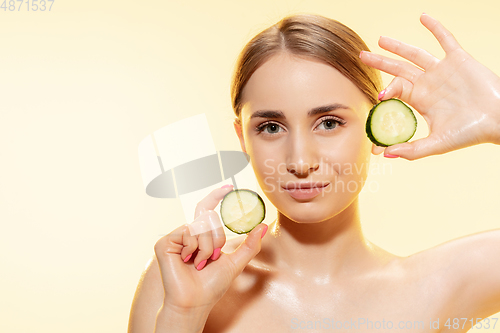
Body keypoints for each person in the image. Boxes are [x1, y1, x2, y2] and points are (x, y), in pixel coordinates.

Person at [128, 13, 500, 333]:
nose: (300, 161)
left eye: (329, 122)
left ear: (376, 121)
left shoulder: (442, 283)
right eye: (271, 127)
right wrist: (183, 316)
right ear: (243, 138)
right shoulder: (179, 280)